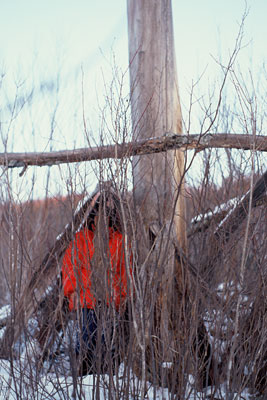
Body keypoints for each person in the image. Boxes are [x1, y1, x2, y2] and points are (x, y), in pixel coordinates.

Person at [62, 193, 131, 375]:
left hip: (110, 302)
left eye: (108, 214)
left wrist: (122, 296)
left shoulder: (119, 241)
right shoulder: (81, 239)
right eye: (99, 214)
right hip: (85, 301)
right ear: (93, 215)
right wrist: (72, 292)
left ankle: (107, 379)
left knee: (108, 345)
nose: (103, 218)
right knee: (85, 342)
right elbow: (69, 267)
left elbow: (126, 271)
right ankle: (83, 379)